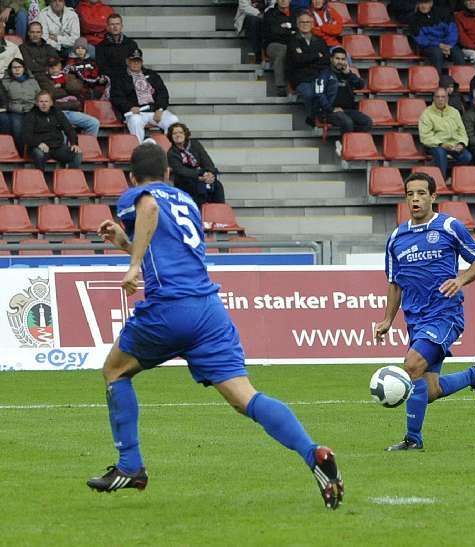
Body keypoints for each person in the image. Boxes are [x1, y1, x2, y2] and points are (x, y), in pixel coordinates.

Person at [85, 142, 343, 510]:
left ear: (132, 177)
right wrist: (125, 244)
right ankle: (312, 453)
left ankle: (131, 466)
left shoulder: (139, 195)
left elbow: (149, 208)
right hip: (208, 311)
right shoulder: (188, 202)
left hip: (168, 309)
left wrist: (132, 265)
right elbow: (169, 249)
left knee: (114, 371)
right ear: (170, 173)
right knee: (245, 397)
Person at [375, 171, 475, 451]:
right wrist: (387, 319)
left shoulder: (449, 227)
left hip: (445, 314)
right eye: (410, 194)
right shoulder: (396, 238)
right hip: (415, 319)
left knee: (412, 365)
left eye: (421, 193)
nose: (415, 199)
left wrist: (460, 280)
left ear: (433, 197)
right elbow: (394, 283)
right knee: (428, 390)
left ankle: (413, 440)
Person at [110, 48, 180, 143]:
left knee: (173, 120)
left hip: (154, 111)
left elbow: (163, 93)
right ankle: (140, 150)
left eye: (138, 61)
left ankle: (169, 150)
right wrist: (129, 107)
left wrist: (160, 109)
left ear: (142, 62)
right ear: (127, 61)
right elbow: (116, 97)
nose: (135, 64)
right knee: (135, 121)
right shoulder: (120, 77)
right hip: (136, 112)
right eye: (133, 61)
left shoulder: (152, 75)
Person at [313, 46, 372, 148]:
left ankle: (347, 143)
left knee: (367, 122)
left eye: (342, 59)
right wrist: (331, 108)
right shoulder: (324, 74)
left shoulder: (347, 74)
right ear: (331, 59)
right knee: (347, 122)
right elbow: (319, 94)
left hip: (348, 110)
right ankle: (345, 146)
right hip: (329, 112)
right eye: (337, 58)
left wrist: (349, 74)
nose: (340, 61)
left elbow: (361, 85)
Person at [419, 87, 472, 179]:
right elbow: (425, 136)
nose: (440, 99)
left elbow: (462, 131)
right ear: (433, 98)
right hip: (435, 145)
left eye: (443, 97)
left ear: (447, 98)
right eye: (438, 97)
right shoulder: (426, 113)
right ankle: (441, 180)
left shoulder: (454, 112)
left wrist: (461, 143)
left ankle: (451, 176)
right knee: (440, 153)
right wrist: (441, 144)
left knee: (467, 156)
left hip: (453, 144)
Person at [166, 122, 225, 205]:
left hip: (202, 176)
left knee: (218, 186)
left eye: (180, 132)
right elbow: (181, 171)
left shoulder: (195, 144)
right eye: (174, 133)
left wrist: (210, 174)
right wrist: (200, 176)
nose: (178, 135)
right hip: (185, 181)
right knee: (197, 188)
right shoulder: (171, 153)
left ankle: (218, 213)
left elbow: (207, 161)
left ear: (185, 134)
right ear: (171, 136)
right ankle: (199, 215)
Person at [23, 89, 82, 171]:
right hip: (39, 147)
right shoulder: (31, 115)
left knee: (77, 154)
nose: (44, 104)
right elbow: (26, 136)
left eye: (46, 101)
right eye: (41, 101)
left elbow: (69, 129)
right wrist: (38, 143)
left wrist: (74, 143)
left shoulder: (57, 112)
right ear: (36, 103)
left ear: (51, 103)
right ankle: (40, 179)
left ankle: (69, 178)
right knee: (38, 154)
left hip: (57, 147)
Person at [286, 11, 328, 124]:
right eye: (302, 22)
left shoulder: (320, 41)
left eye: (307, 22)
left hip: (317, 77)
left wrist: (306, 58)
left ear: (312, 24)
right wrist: (316, 56)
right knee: (310, 94)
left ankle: (316, 117)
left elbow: (325, 61)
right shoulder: (292, 41)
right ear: (298, 24)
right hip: (301, 79)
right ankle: (315, 118)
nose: (305, 24)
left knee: (325, 91)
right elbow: (297, 60)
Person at [44, 55, 100, 135]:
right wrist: (65, 88)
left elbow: (76, 88)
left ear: (60, 66)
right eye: (51, 67)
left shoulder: (69, 76)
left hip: (71, 109)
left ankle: (88, 146)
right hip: (56, 112)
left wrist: (63, 84)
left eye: (56, 66)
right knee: (63, 129)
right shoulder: (44, 79)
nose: (54, 69)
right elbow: (50, 93)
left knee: (94, 123)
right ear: (47, 68)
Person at [409, 0, 465, 75]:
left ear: (431, 4)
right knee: (437, 53)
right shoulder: (414, 19)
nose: (423, 6)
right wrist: (439, 45)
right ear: (417, 4)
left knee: (458, 54)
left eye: (426, 3)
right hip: (428, 46)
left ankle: (461, 81)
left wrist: (449, 45)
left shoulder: (443, 14)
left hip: (446, 44)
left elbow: (452, 31)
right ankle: (437, 80)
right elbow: (420, 39)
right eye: (421, 3)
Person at [2, 57, 39, 154]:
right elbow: (3, 98)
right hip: (16, 111)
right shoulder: (6, 82)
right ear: (10, 69)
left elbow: (39, 95)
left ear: (24, 68)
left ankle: (33, 153)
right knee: (17, 130)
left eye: (19, 67)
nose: (17, 69)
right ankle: (21, 153)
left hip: (32, 109)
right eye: (14, 67)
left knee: (35, 129)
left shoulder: (32, 81)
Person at [263, 0, 296, 97]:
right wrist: (291, 31)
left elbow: (300, 30)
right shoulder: (270, 13)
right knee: (283, 50)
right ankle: (280, 86)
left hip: (293, 44)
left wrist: (284, 29)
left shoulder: (297, 12)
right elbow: (274, 33)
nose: (283, 0)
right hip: (273, 45)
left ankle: (298, 86)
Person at [95, 13, 140, 80]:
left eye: (117, 24)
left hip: (129, 79)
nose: (115, 27)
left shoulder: (131, 44)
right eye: (112, 24)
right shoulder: (101, 46)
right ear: (107, 27)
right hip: (112, 80)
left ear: (121, 26)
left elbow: (136, 64)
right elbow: (102, 68)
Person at [19, 21, 60, 86]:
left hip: (54, 75)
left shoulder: (48, 47)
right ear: (28, 33)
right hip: (37, 78)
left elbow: (56, 61)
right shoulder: (23, 47)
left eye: (38, 32)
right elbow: (30, 66)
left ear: (41, 33)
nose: (35, 35)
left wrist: (36, 60)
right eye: (32, 32)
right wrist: (47, 63)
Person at [234, 0, 265, 65]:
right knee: (254, 21)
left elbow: (273, 4)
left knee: (271, 20)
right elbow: (244, 7)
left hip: (266, 14)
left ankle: (267, 53)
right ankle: (257, 52)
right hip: (248, 16)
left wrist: (266, 14)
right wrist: (259, 14)